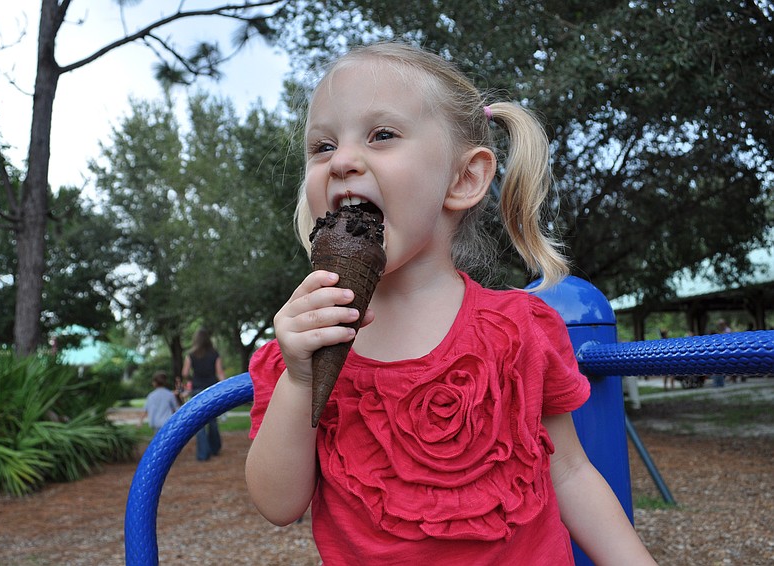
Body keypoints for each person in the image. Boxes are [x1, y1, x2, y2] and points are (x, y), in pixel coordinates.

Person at [245, 42, 656, 565]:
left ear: (463, 179)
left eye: (382, 135)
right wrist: (301, 381)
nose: (343, 161)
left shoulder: (519, 330)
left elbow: (571, 471)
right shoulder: (298, 351)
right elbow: (277, 503)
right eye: (322, 146)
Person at [180, 328, 226, 461]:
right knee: (213, 421)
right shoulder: (215, 354)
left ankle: (203, 454)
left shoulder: (191, 354)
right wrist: (225, 387)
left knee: (199, 423)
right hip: (212, 390)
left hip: (197, 390)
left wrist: (192, 379)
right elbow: (220, 373)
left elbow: (184, 372)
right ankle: (215, 448)